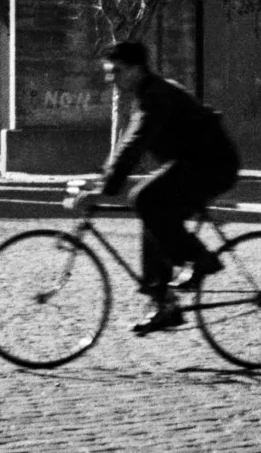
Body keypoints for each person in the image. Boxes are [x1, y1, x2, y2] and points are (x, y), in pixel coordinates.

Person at [86, 40, 241, 335]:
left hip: (212, 165)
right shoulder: (147, 94)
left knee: (144, 197)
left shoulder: (157, 95)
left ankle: (201, 260)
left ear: (135, 69)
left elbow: (135, 143)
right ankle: (163, 305)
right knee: (153, 216)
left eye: (115, 71)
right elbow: (128, 142)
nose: (110, 79)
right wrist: (104, 179)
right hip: (193, 163)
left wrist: (106, 189)